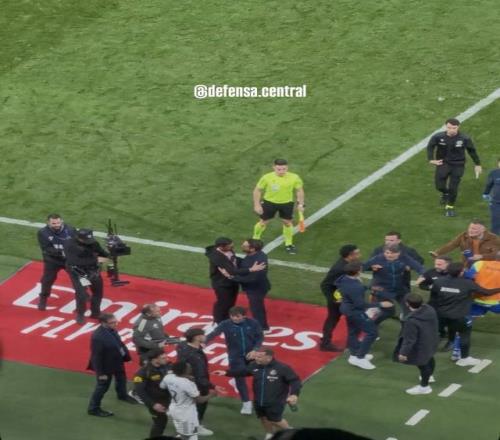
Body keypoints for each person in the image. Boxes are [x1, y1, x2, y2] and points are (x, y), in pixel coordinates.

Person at [430, 262, 500, 366]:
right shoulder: (467, 283)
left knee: (448, 332)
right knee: (464, 334)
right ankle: (464, 358)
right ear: (461, 272)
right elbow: (486, 292)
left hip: (442, 315)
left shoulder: (439, 281)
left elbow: (433, 299)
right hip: (459, 315)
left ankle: (454, 353)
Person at [227, 349, 301, 440]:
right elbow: (243, 372)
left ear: (268, 358)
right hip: (258, 400)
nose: (256, 359)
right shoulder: (254, 365)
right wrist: (227, 373)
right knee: (263, 418)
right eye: (256, 356)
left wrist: (294, 394)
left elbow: (295, 381)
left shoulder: (282, 368)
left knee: (275, 420)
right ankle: (270, 434)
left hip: (275, 401)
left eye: (259, 357)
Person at [205, 306, 263, 415]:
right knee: (240, 379)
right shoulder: (225, 324)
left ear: (244, 316)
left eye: (238, 316)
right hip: (235, 356)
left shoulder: (253, 323)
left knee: (255, 373)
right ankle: (246, 403)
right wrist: (203, 342)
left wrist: (255, 350)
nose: (235, 318)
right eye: (232, 316)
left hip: (251, 354)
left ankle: (236, 381)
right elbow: (213, 334)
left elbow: (259, 337)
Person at [338, 262, 393, 370]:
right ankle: (360, 357)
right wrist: (381, 304)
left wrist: (369, 287)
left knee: (353, 331)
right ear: (357, 272)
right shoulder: (356, 287)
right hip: (355, 312)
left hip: (346, 308)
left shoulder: (343, 278)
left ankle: (354, 354)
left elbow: (350, 289)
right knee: (372, 332)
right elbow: (360, 305)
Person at [426, 117, 482, 217]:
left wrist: (477, 164)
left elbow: (472, 151)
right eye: (449, 128)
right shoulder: (438, 137)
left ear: (458, 127)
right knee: (439, 186)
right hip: (443, 163)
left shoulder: (464, 138)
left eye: (454, 128)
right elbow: (430, 146)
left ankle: (450, 207)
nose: (451, 130)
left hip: (458, 164)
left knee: (453, 187)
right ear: (445, 126)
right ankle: (445, 193)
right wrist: (431, 159)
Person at [205, 237, 265, 325]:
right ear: (221, 247)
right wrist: (250, 269)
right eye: (230, 247)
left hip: (232, 281)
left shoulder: (227, 250)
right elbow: (231, 271)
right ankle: (218, 321)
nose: (232, 248)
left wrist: (247, 261)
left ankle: (226, 318)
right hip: (222, 283)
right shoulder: (217, 257)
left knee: (231, 302)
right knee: (223, 303)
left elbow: (234, 259)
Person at [87, 313, 137, 416]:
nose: (115, 324)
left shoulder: (112, 330)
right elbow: (96, 356)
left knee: (121, 379)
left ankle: (122, 395)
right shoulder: (98, 337)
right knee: (102, 387)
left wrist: (126, 356)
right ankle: (93, 408)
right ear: (103, 323)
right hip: (105, 366)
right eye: (112, 322)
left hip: (117, 361)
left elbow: (119, 344)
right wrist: (100, 373)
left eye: (115, 321)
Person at [252, 159, 305, 254]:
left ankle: (289, 243)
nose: (281, 171)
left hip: (287, 203)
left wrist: (301, 203)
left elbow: (299, 190)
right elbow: (257, 190)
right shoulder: (267, 177)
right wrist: (257, 204)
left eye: (284, 169)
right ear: (274, 168)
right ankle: (255, 239)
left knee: (287, 223)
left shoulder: (294, 177)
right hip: (269, 203)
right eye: (279, 169)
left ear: (287, 168)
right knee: (263, 222)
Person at [363, 244, 425, 324]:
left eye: (392, 253)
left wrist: (422, 275)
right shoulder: (378, 258)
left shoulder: (404, 257)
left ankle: (406, 328)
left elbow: (419, 267)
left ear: (398, 253)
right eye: (387, 253)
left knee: (409, 309)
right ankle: (371, 325)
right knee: (388, 311)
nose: (389, 255)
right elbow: (362, 267)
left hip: (399, 288)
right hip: (383, 289)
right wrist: (371, 267)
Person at [219, 239, 271, 330]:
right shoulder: (254, 254)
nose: (242, 246)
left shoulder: (259, 262)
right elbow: (245, 264)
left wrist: (230, 277)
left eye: (245, 246)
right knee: (256, 307)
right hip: (256, 286)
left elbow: (251, 279)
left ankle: (262, 328)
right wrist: (231, 257)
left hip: (256, 288)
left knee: (256, 308)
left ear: (252, 249)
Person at [319, 244, 361, 352]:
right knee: (334, 319)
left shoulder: (347, 263)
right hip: (337, 299)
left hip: (342, 296)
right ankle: (325, 343)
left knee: (335, 319)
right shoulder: (340, 269)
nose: (359, 255)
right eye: (357, 254)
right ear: (350, 256)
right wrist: (333, 299)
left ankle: (326, 341)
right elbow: (325, 285)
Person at [160, 361, 217, 440]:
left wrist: (184, 378)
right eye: (189, 367)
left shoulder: (168, 377)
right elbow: (200, 400)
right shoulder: (188, 384)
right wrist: (211, 395)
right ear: (184, 370)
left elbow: (162, 386)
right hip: (186, 414)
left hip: (174, 409)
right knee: (187, 436)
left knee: (189, 432)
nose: (191, 368)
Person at [64, 228, 110, 324]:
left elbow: (103, 255)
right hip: (78, 272)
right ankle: (80, 314)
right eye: (85, 240)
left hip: (93, 271)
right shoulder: (70, 244)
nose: (88, 242)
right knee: (81, 294)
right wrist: (96, 259)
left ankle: (96, 312)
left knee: (98, 292)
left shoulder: (93, 243)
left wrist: (111, 251)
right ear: (78, 238)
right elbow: (75, 261)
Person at [397, 293, 439, 395]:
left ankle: (424, 387)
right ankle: (429, 376)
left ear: (407, 304)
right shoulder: (430, 309)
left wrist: (403, 353)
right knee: (429, 358)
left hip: (421, 345)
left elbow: (409, 340)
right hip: (432, 340)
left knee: (422, 364)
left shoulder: (411, 321)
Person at [176, 328, 215, 436]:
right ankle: (194, 427)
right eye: (203, 334)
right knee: (199, 405)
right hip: (197, 383)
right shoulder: (194, 355)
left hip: (186, 381)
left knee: (189, 406)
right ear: (197, 337)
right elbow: (199, 376)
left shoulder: (183, 346)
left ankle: (189, 427)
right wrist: (213, 386)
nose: (205, 336)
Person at [37, 213, 76, 310]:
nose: (57, 225)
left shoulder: (71, 230)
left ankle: (82, 294)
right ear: (48, 223)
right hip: (52, 260)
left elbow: (77, 244)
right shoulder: (43, 232)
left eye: (58, 222)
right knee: (47, 280)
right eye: (54, 223)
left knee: (77, 278)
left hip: (69, 259)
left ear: (62, 221)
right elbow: (46, 248)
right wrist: (63, 252)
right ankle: (43, 298)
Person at [133, 349, 172, 438]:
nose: (166, 359)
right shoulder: (143, 373)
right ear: (154, 360)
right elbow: (140, 391)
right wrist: (153, 404)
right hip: (156, 402)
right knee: (160, 421)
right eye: (163, 358)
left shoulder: (167, 366)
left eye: (166, 357)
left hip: (169, 399)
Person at [417, 255, 452, 342]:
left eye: (439, 264)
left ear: (448, 264)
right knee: (429, 316)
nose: (436, 266)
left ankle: (449, 336)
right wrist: (430, 287)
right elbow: (422, 284)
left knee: (448, 320)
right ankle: (439, 333)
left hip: (451, 302)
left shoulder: (455, 272)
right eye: (435, 264)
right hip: (435, 301)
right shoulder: (430, 272)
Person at [431, 219, 500, 263]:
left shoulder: (494, 239)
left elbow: (497, 254)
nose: (471, 230)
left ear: (483, 230)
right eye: (470, 228)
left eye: (474, 229)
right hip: (467, 263)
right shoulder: (464, 236)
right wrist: (437, 253)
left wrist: (481, 256)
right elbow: (452, 245)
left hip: (485, 265)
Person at [464, 252, 500, 316]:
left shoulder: (480, 263)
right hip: (496, 303)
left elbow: (468, 277)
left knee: (469, 316)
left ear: (496, 257)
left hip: (477, 299)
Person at [483, 158, 500, 234]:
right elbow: (489, 185)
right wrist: (486, 194)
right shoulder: (494, 173)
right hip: (496, 203)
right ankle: (494, 238)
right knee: (495, 222)